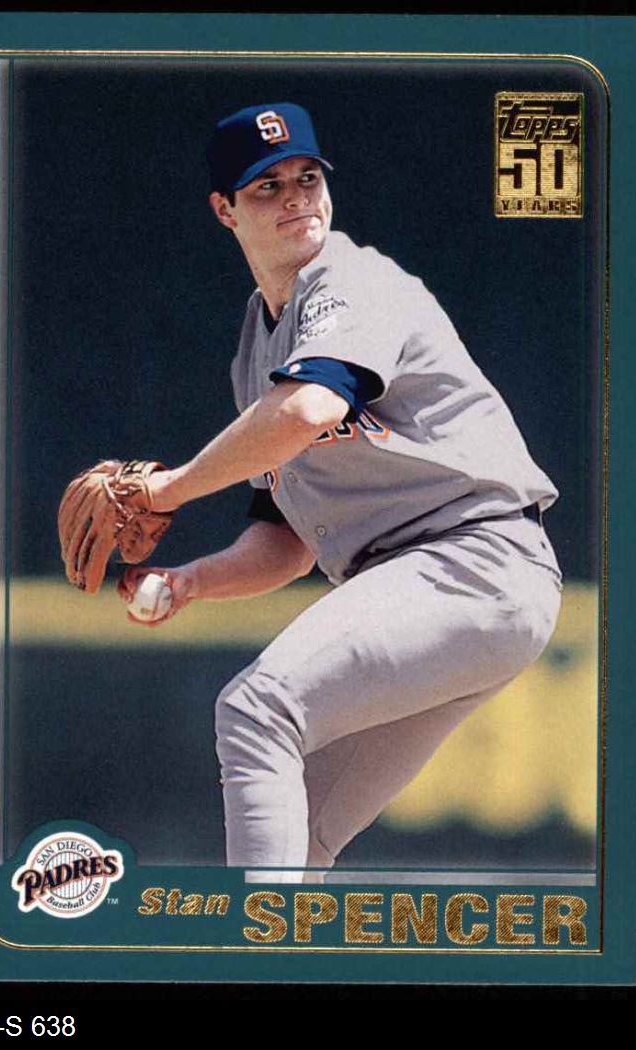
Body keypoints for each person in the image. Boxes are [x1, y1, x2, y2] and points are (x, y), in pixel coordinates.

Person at [118, 102, 563, 879]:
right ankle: (285, 938)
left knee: (256, 710)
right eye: (267, 186)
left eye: (307, 177)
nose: (295, 197)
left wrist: (169, 490)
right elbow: (287, 539)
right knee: (304, 836)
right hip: (453, 588)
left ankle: (251, 944)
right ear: (224, 210)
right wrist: (194, 581)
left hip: (473, 558)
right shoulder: (258, 347)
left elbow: (309, 410)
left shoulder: (350, 280)